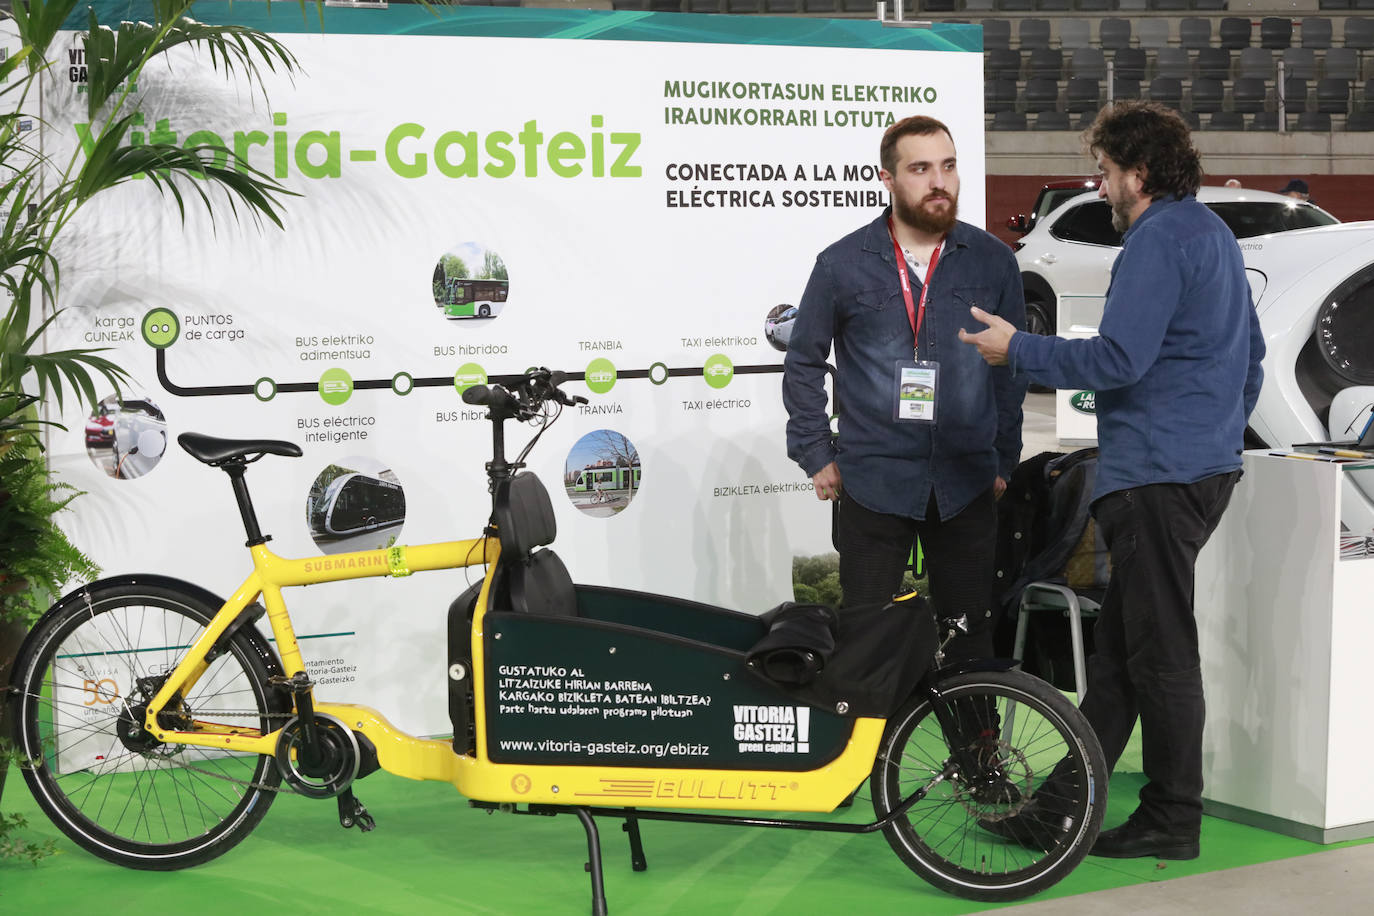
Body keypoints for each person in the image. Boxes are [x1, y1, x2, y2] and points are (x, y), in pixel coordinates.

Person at [959, 101, 1266, 861]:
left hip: (1159, 477)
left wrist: (1018, 350)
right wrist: (1215, 432)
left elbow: (1117, 361)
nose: (1098, 189)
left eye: (1103, 173)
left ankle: (1172, 818)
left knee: (1157, 656)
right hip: (1193, 469)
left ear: (1139, 173)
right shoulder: (1213, 236)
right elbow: (1251, 358)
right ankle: (1063, 808)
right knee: (1124, 658)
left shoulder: (1160, 240)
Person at [782, 114, 1027, 667]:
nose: (939, 181)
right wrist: (816, 452)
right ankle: (868, 758)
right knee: (866, 646)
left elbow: (1012, 370)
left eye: (948, 166)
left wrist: (1004, 460)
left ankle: (976, 756)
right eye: (920, 169)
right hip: (873, 481)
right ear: (887, 179)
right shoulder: (842, 263)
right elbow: (803, 362)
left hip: (966, 482)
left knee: (970, 644)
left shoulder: (993, 261)